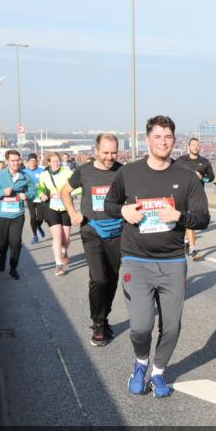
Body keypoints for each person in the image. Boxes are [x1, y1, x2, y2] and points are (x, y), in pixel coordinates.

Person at [104, 116, 210, 397]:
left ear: (174, 141)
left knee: (172, 325)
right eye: (157, 136)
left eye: (168, 137)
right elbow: (109, 203)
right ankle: (140, 363)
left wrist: (180, 216)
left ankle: (159, 371)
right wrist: (122, 211)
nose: (163, 142)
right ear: (147, 139)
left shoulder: (186, 176)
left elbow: (203, 218)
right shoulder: (129, 172)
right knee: (140, 326)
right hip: (136, 260)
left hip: (173, 260)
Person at [62, 133, 124, 346]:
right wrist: (72, 213)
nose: (110, 157)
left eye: (113, 152)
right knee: (99, 278)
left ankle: (104, 317)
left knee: (113, 278)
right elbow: (65, 192)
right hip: (92, 230)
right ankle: (98, 323)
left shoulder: (122, 171)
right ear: (96, 151)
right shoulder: (84, 171)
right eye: (105, 152)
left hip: (117, 231)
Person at [0, 150, 36, 280]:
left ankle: (13, 268)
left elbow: (33, 191)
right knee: (3, 242)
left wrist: (27, 195)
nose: (16, 163)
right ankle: (2, 257)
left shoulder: (25, 176)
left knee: (16, 242)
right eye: (13, 160)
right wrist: (2, 192)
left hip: (17, 215)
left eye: (18, 160)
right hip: (0, 215)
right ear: (7, 161)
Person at [173, 136, 216, 260]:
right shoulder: (180, 161)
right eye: (193, 145)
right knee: (180, 220)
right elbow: (172, 172)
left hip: (196, 196)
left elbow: (212, 177)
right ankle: (185, 242)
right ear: (189, 147)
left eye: (197, 145)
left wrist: (202, 177)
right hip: (181, 195)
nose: (195, 147)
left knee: (190, 220)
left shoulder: (205, 162)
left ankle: (192, 249)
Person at [36, 152, 76, 276]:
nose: (56, 163)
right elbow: (40, 188)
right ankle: (58, 265)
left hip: (66, 206)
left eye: (58, 161)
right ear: (48, 163)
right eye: (53, 161)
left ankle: (64, 250)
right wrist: (42, 194)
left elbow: (77, 187)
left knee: (66, 238)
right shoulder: (44, 175)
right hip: (51, 207)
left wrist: (67, 194)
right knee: (57, 236)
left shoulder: (67, 172)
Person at [23, 153, 46, 244]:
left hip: (40, 196)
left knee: (40, 217)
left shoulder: (42, 171)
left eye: (34, 160)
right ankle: (35, 236)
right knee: (33, 217)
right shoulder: (23, 172)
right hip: (30, 197)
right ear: (28, 162)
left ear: (36, 161)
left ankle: (38, 226)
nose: (32, 162)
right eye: (31, 160)